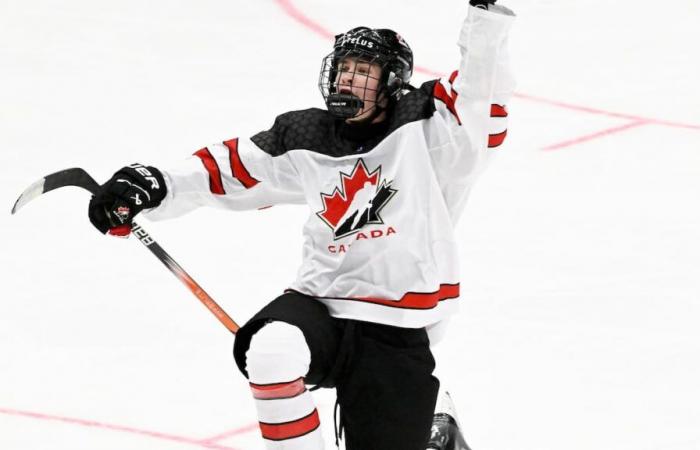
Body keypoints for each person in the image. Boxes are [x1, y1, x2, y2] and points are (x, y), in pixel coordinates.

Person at [87, 1, 515, 449]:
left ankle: (435, 427)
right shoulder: (307, 136)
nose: (348, 77)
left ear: (391, 81)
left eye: (363, 69)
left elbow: (480, 90)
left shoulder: (431, 130)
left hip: (396, 325)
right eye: (343, 67)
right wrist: (155, 185)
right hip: (319, 306)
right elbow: (231, 170)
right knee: (272, 350)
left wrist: (485, 16)